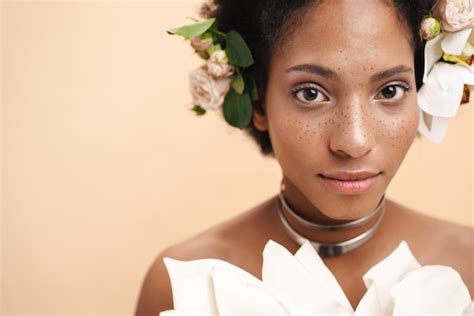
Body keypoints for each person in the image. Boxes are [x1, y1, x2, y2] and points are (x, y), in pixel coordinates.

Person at [135, 0, 474, 314]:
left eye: (390, 91)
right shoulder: (183, 285)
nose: (354, 142)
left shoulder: (469, 265)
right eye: (311, 93)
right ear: (258, 103)